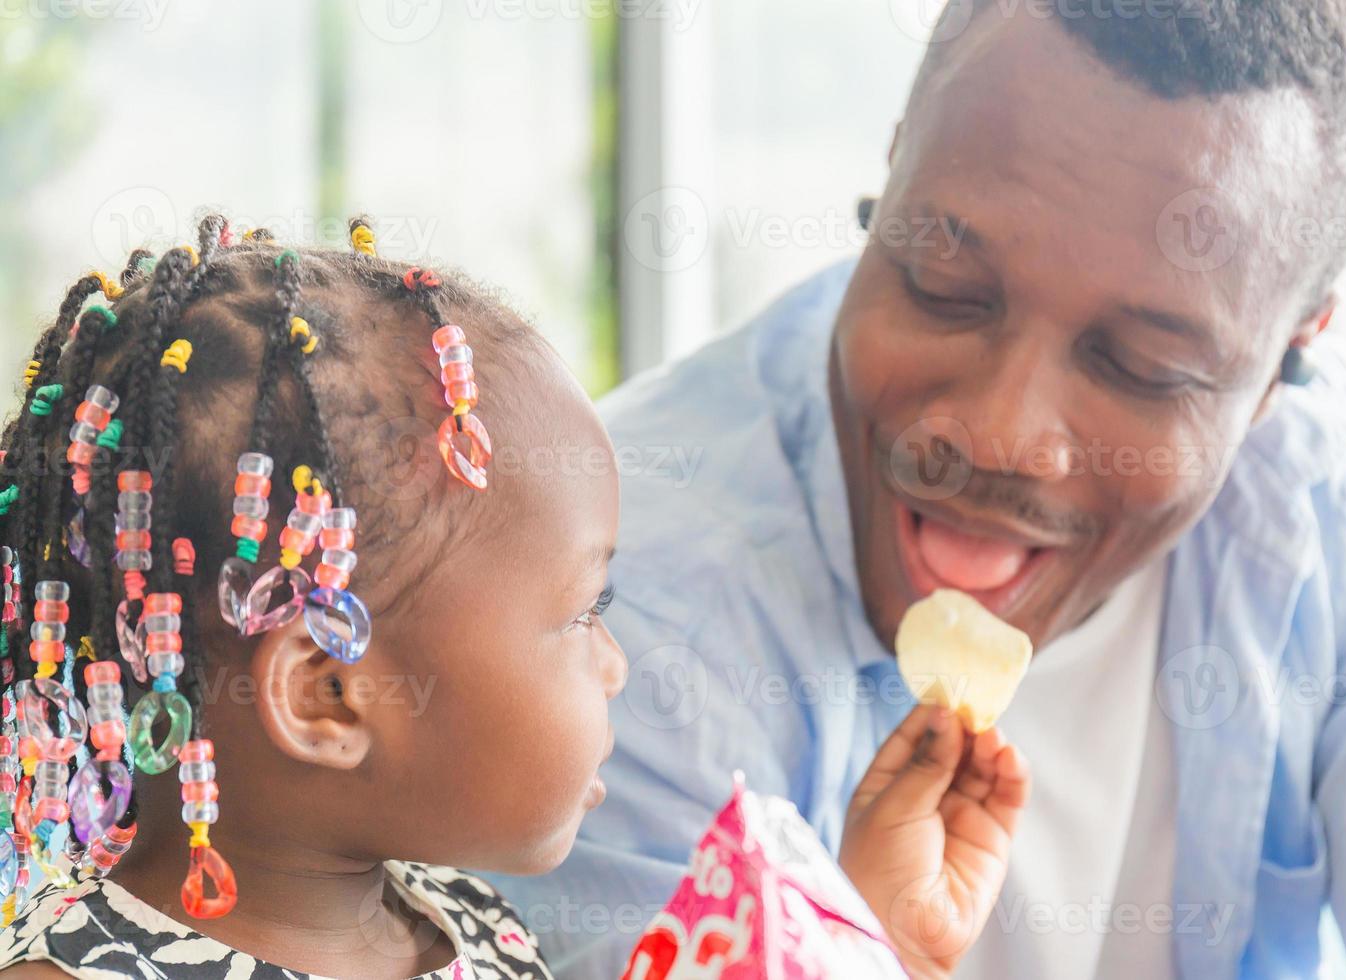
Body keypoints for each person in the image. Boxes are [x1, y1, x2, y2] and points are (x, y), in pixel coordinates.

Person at [494, 2, 1346, 978]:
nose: (1001, 433)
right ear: (894, 175)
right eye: (942, 288)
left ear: (1287, 364)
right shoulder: (611, 598)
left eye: (1141, 365)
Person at [0, 215, 1029, 979]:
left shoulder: (474, 930)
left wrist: (876, 931)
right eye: (585, 610)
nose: (616, 662)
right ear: (327, 692)